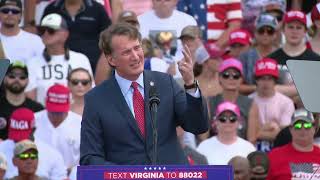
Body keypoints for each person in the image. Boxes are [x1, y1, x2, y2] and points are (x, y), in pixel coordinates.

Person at [80, 23, 208, 165]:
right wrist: (126, 175)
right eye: (126, 52)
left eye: (137, 48)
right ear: (111, 59)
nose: (135, 57)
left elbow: (198, 126)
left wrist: (190, 84)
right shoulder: (96, 99)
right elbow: (90, 157)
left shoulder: (166, 84)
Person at [26, 13, 93, 105]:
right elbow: (30, 99)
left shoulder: (81, 59)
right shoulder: (32, 63)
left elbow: (90, 93)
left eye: (51, 30)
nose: (45, 34)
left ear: (65, 34)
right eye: (42, 30)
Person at [42, 0, 111, 73]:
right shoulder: (51, 8)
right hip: (57, 64)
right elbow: (43, 33)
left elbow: (108, 40)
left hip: (93, 65)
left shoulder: (97, 9)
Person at [0, 108, 67, 180]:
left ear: (34, 130)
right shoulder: (1, 149)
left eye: (23, 137)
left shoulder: (52, 155)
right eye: (17, 138)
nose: (21, 143)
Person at [268, 10, 320, 99]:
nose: (294, 31)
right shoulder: (270, 60)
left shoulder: (316, 60)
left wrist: (281, 89)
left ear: (305, 31)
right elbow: (266, 89)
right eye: (290, 27)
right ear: (283, 30)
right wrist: (302, 88)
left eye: (299, 27)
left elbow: (316, 92)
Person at [207, 58, 260, 143]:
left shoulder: (250, 104)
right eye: (226, 75)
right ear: (219, 78)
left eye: (236, 76)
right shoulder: (210, 102)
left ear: (241, 79)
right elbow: (203, 136)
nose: (231, 78)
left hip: (241, 152)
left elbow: (252, 139)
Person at [250, 58, 295, 152]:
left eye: (269, 78)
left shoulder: (286, 102)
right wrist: (269, 128)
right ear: (256, 80)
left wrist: (256, 132)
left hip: (279, 148)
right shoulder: (248, 101)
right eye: (262, 78)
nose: (266, 83)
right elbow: (246, 135)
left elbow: (283, 134)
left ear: (275, 80)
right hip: (252, 149)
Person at [34, 84, 81, 170]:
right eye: (52, 111)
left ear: (70, 103)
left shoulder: (82, 124)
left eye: (60, 112)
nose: (56, 115)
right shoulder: (33, 121)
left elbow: (89, 157)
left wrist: (73, 171)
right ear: (45, 101)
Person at [267, 109, 320, 180]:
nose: (303, 129)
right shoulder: (274, 156)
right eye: (298, 126)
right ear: (290, 129)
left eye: (307, 125)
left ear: (314, 128)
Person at [0, 61, 43, 140]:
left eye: (22, 77)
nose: (17, 79)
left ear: (27, 81)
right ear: (5, 79)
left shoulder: (37, 109)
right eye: (12, 76)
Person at [239, 13, 278, 95]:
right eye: (261, 31)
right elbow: (237, 85)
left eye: (270, 31)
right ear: (255, 33)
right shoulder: (245, 56)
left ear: (275, 34)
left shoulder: (282, 54)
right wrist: (259, 88)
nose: (265, 34)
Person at [0, 0, 45, 64]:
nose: (10, 14)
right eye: (5, 11)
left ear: (21, 15)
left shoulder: (35, 41)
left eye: (15, 11)